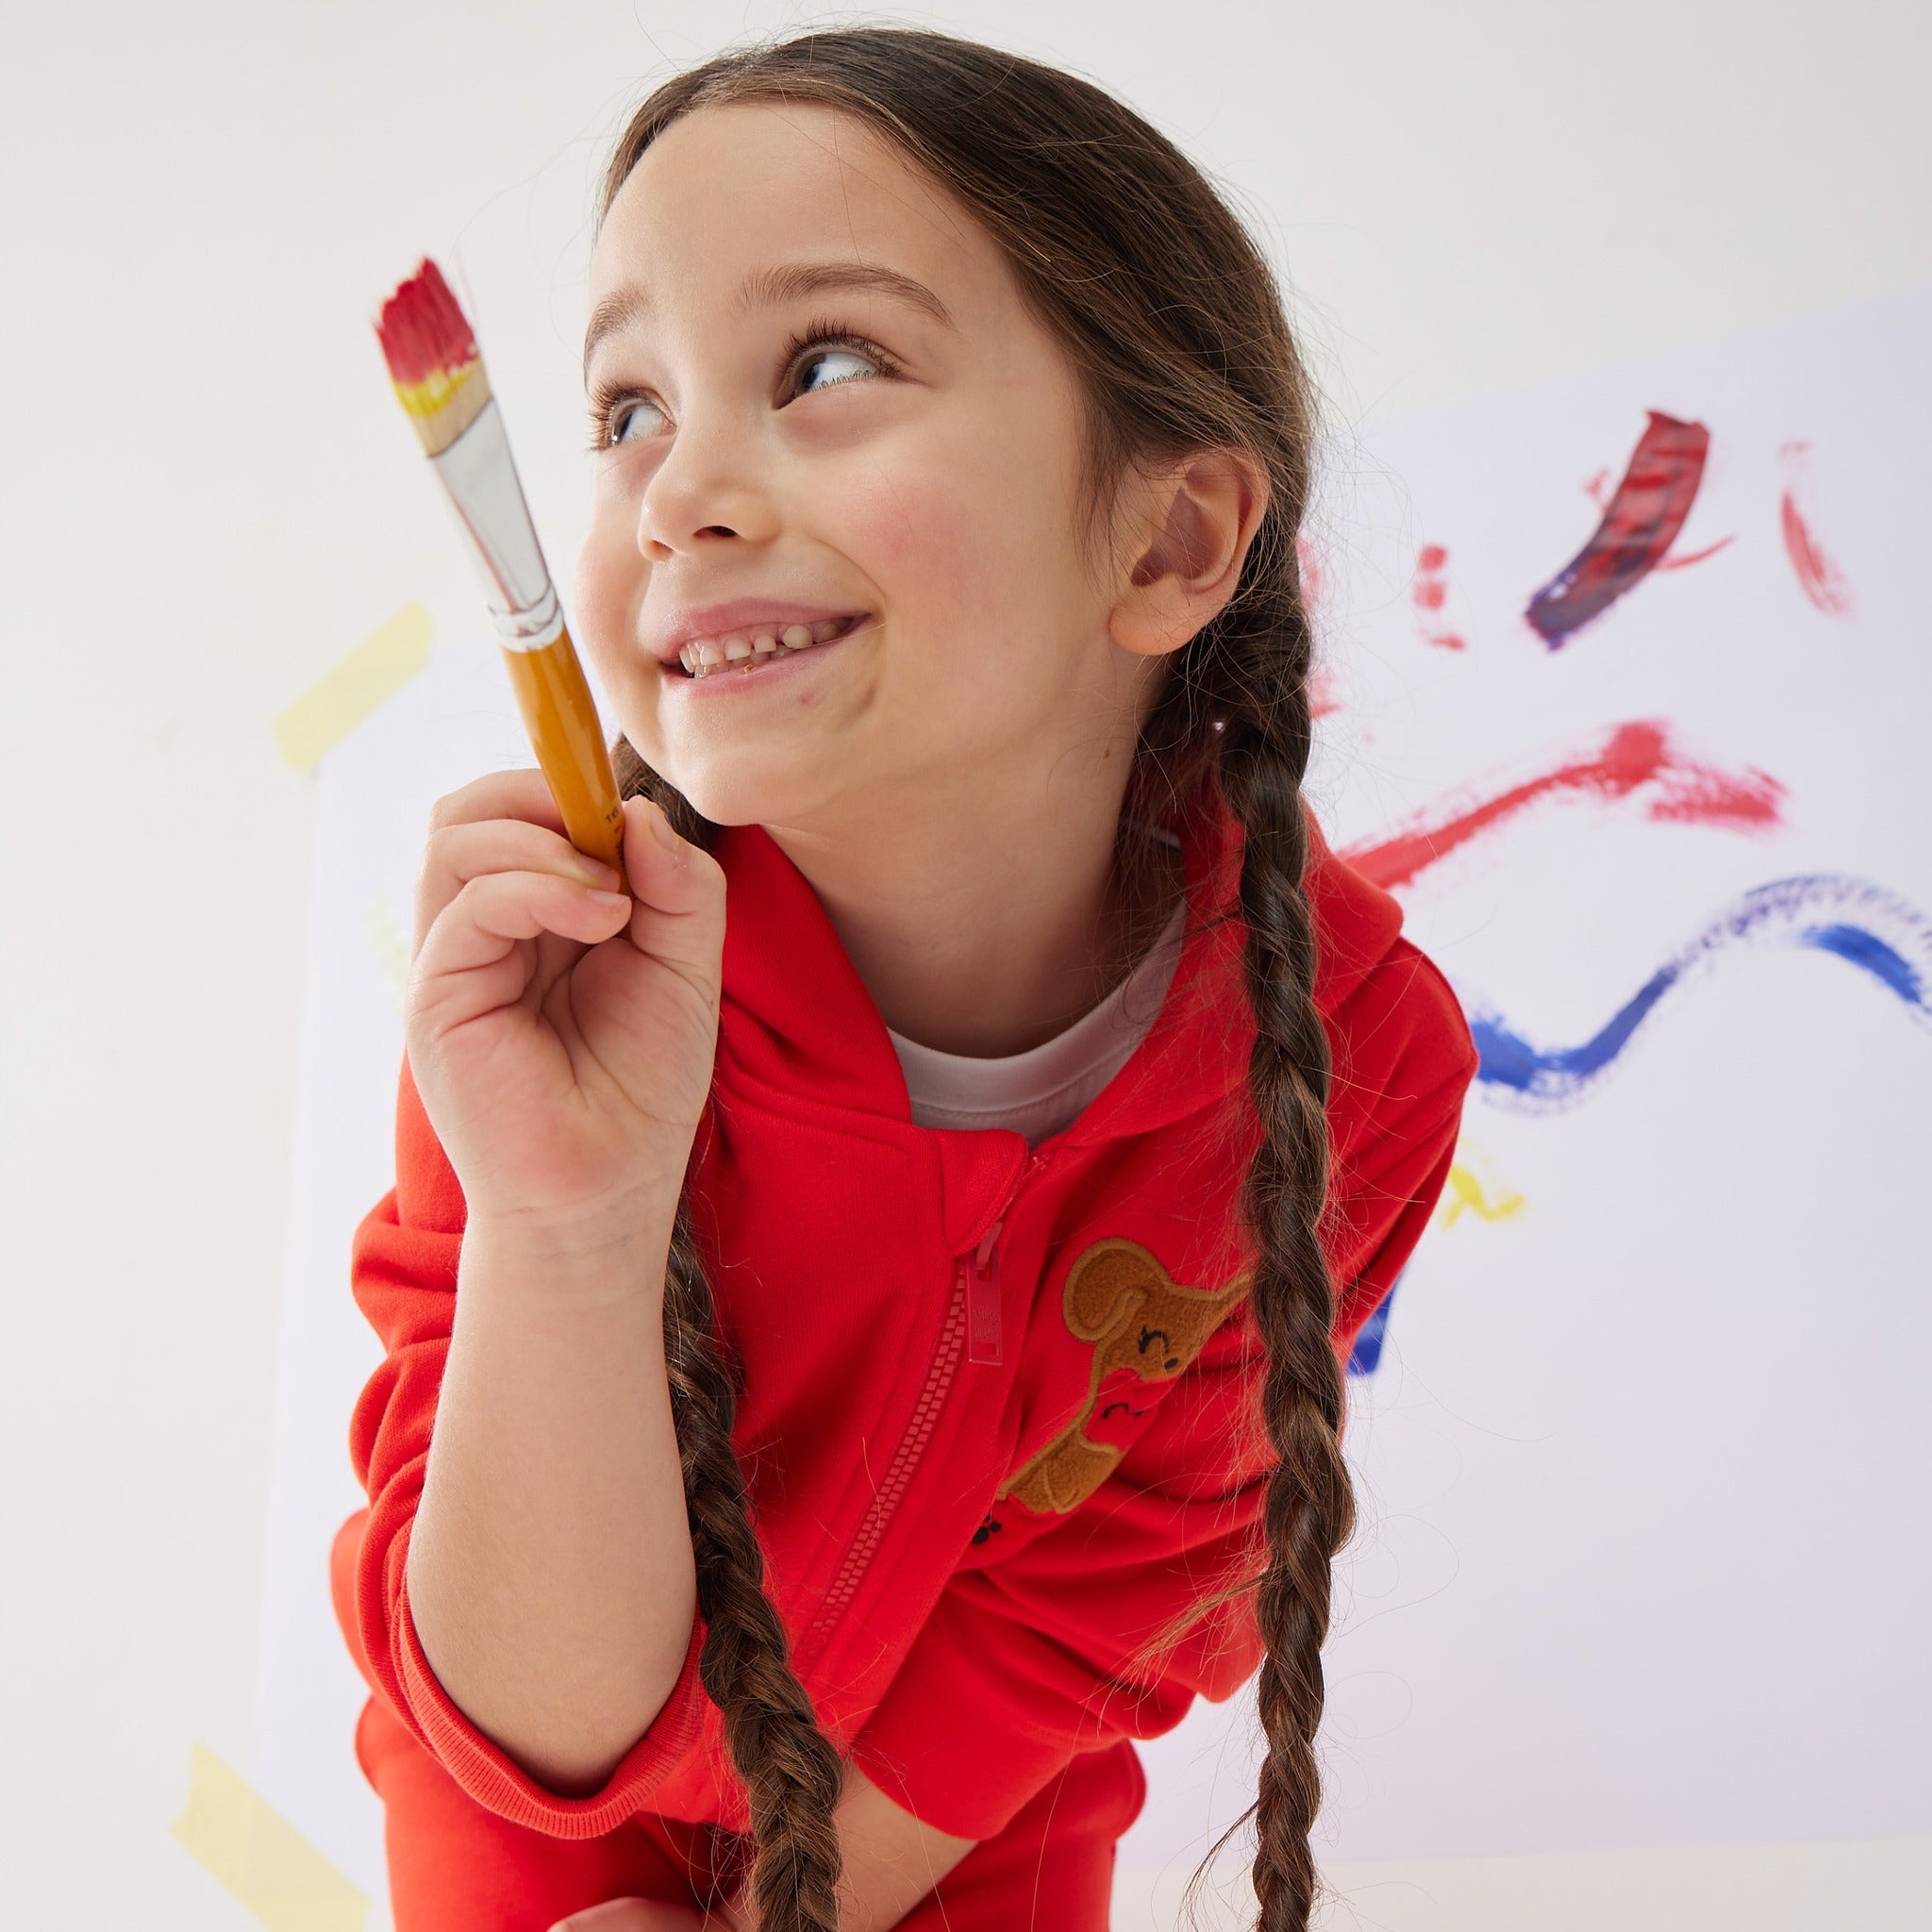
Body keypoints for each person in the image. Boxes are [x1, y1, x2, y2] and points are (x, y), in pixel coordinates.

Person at [330, 25, 1479, 1932]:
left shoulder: (1350, 1057)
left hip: (964, 1806)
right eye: (624, 410)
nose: (675, 486)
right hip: (526, 1787)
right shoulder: (557, 982)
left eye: (825, 366)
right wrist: (573, 1216)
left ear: (1170, 534)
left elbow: (1097, 1595)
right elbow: (525, 1722)